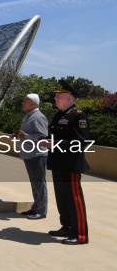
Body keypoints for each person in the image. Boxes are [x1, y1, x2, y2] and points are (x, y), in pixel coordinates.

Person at [39, 79, 90, 245]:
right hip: (58, 163)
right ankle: (67, 226)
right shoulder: (60, 115)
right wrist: (46, 140)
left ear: (69, 98)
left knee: (74, 199)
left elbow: (80, 142)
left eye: (59, 96)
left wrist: (55, 144)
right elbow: (56, 137)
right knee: (62, 198)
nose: (56, 98)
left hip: (70, 165)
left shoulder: (78, 116)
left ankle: (80, 234)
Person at [14, 94, 48, 220]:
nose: (23, 102)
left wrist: (26, 136)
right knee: (35, 182)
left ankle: (41, 210)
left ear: (33, 103)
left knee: (39, 183)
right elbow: (29, 133)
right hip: (29, 154)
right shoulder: (29, 115)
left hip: (36, 154)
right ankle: (36, 207)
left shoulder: (38, 117)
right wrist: (20, 135)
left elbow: (43, 135)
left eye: (25, 101)